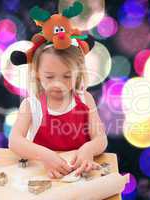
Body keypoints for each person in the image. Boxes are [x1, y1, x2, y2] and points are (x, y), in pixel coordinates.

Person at [9, 43, 108, 179]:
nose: (58, 83)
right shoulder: (31, 105)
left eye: (67, 76)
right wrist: (44, 155)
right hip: (44, 177)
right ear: (37, 73)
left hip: (80, 174)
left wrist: (88, 149)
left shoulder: (85, 99)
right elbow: (14, 141)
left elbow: (101, 138)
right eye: (50, 77)